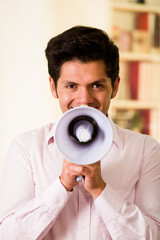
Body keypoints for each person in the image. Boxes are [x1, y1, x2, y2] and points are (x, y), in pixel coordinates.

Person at [0, 26, 160, 240]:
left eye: (96, 85)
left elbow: (153, 236)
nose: (84, 99)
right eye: (71, 86)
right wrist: (62, 186)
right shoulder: (27, 148)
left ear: (115, 86)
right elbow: (8, 235)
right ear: (53, 87)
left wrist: (101, 191)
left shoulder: (146, 150)